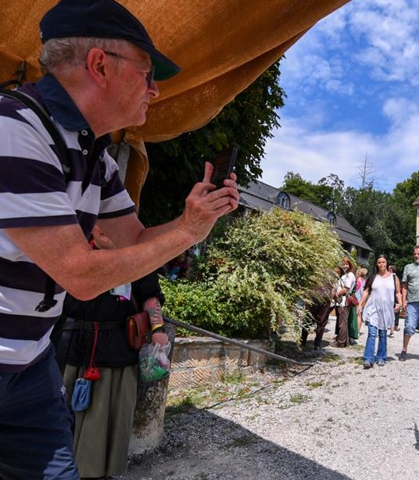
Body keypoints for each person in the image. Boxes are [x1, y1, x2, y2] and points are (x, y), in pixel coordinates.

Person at [0, 1, 239, 478]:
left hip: (30, 363)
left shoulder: (94, 153)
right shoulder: (12, 129)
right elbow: (81, 276)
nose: (154, 89)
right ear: (100, 65)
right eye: (147, 73)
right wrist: (187, 232)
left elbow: (134, 241)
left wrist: (195, 220)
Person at [52, 226, 168, 479]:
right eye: (98, 221)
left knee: (106, 417)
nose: (104, 228)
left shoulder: (136, 256)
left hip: (117, 349)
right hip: (70, 345)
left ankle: (96, 473)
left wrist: (158, 328)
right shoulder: (72, 249)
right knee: (57, 413)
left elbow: (150, 295)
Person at [358, 255, 402, 368]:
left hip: (386, 309)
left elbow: (398, 292)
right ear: (376, 264)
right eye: (379, 262)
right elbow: (366, 291)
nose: (381, 264)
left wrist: (400, 303)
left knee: (383, 334)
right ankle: (368, 358)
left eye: (383, 262)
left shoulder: (393, 277)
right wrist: (360, 304)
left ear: (387, 263)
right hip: (373, 308)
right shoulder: (373, 277)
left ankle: (381, 357)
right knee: (372, 333)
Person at [332, 258, 356, 348]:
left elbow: (346, 288)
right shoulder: (344, 275)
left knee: (343, 323)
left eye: (346, 264)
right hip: (340, 301)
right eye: (343, 264)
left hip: (344, 301)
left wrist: (336, 295)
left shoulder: (350, 275)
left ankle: (341, 342)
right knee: (342, 321)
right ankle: (344, 341)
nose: (344, 266)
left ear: (350, 265)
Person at [388, 265, 401, 337]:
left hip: (387, 297)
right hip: (393, 298)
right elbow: (398, 290)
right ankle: (392, 331)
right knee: (392, 314)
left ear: (390, 270)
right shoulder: (396, 278)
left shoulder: (388, 276)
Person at [355, 267, 368, 334]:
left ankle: (355, 331)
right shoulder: (364, 281)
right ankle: (358, 331)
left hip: (357, 299)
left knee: (356, 316)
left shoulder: (358, 281)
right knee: (359, 316)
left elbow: (356, 291)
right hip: (362, 300)